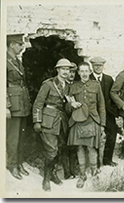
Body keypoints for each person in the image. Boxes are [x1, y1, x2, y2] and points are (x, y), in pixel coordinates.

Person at [33, 58, 74, 191]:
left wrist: (72, 105)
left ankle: (53, 173)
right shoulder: (49, 84)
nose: (66, 72)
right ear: (57, 70)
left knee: (60, 148)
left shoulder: (68, 86)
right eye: (63, 69)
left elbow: (66, 107)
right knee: (51, 151)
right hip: (48, 120)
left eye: (68, 69)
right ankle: (46, 178)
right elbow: (38, 103)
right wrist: (37, 121)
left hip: (62, 122)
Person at [67, 61, 106, 189]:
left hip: (92, 119)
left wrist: (102, 125)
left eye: (86, 71)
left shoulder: (96, 85)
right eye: (81, 71)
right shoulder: (73, 87)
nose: (84, 74)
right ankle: (82, 175)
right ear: (78, 73)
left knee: (91, 148)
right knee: (79, 148)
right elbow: (67, 106)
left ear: (90, 72)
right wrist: (71, 105)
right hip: (78, 120)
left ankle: (94, 173)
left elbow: (101, 105)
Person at [6, 34, 31, 180]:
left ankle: (19, 162)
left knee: (21, 135)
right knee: (13, 136)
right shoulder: (4, 60)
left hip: (22, 103)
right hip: (13, 105)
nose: (22, 47)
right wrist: (6, 106)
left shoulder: (16, 60)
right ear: (11, 44)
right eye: (19, 44)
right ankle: (12, 164)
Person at [90, 56, 119, 167]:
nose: (98, 68)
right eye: (96, 66)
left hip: (108, 114)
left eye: (100, 65)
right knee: (96, 137)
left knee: (112, 134)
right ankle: (96, 163)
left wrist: (114, 111)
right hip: (94, 114)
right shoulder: (88, 79)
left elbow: (113, 95)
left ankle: (107, 160)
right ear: (92, 66)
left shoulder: (109, 79)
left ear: (103, 66)